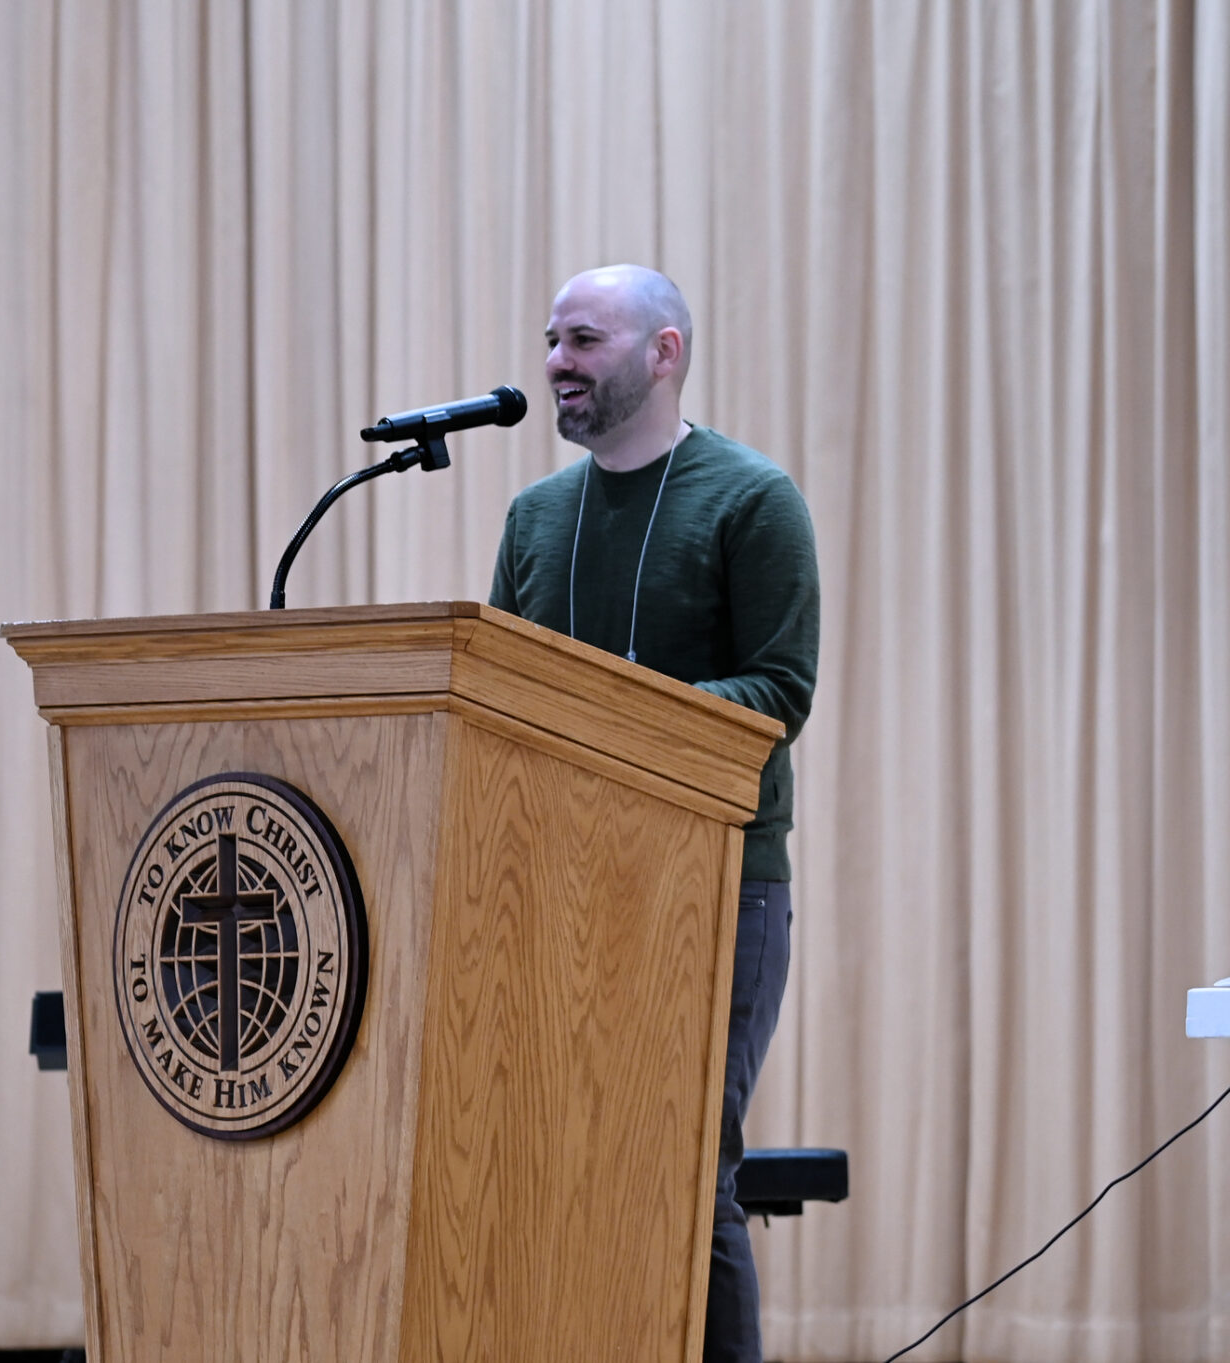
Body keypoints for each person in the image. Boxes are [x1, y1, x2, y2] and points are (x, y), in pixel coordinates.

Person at [488, 264, 820, 1363]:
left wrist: (611, 708)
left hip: (714, 884)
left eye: (582, 340)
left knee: (682, 1163)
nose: (555, 363)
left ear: (662, 352)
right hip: (557, 883)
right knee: (557, 1159)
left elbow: (778, 691)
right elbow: (497, 699)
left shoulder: (751, 499)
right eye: (551, 340)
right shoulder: (535, 518)